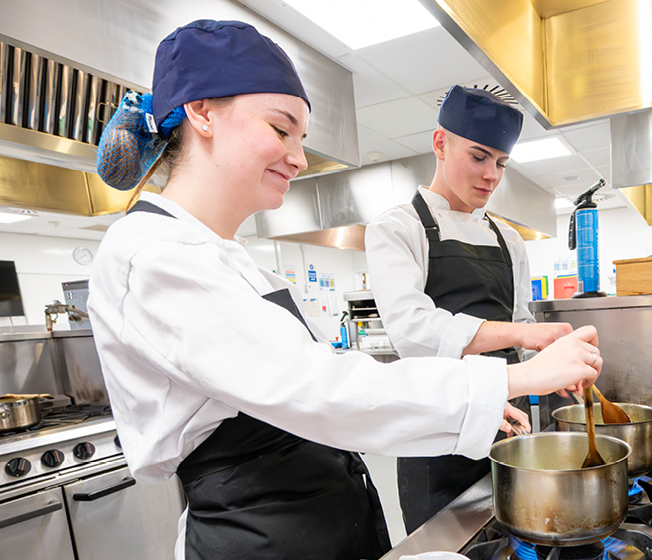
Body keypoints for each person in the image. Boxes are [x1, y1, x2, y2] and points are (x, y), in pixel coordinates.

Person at [87, 20, 603, 560]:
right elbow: (315, 387)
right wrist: (513, 376)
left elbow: (323, 381)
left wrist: (477, 394)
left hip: (323, 521)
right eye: (281, 129)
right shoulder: (152, 254)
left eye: (302, 138)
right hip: (258, 539)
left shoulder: (234, 261)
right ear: (202, 111)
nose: (299, 157)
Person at [365, 85, 573, 533]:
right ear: (440, 143)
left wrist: (554, 366)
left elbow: (521, 324)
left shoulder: (508, 239)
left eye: (500, 163)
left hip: (507, 428)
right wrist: (520, 336)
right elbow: (412, 328)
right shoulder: (398, 228)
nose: (491, 175)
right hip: (433, 440)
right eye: (479, 157)